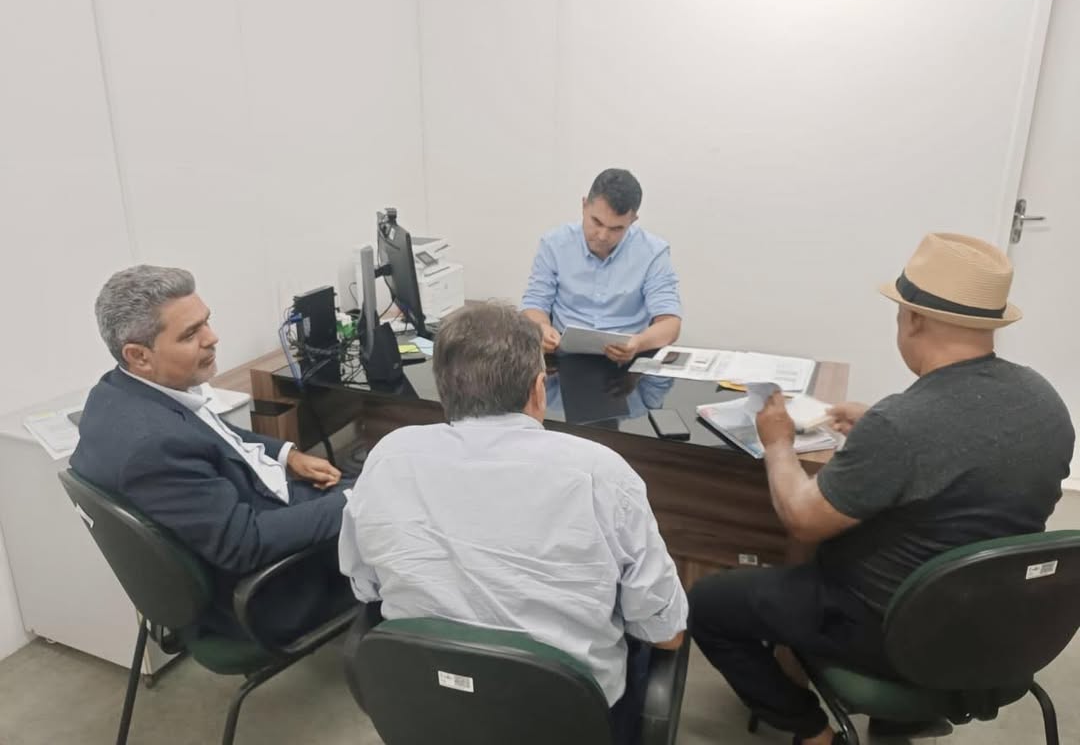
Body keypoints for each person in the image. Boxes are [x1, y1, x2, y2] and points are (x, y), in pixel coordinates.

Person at [689, 233, 1074, 745]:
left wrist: (778, 442)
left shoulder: (904, 424)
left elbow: (802, 517)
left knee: (708, 604)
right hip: (995, 626)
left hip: (888, 627)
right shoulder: (1046, 402)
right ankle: (900, 723)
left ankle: (813, 732)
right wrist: (876, 426)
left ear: (912, 319)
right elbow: (972, 457)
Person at [339, 302, 688, 744]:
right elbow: (666, 633)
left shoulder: (389, 456)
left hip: (429, 710)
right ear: (539, 389)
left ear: (444, 390)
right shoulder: (601, 473)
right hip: (567, 723)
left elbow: (365, 587)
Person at [71, 265, 356, 642]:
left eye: (206, 321)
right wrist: (356, 501)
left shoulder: (118, 392)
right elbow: (245, 545)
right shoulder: (154, 447)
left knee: (379, 486)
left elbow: (214, 434)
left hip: (253, 508)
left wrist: (286, 454)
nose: (212, 337)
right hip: (275, 593)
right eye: (191, 334)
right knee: (408, 512)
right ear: (139, 355)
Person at [521, 168, 682, 364]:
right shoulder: (554, 244)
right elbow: (534, 304)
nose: (603, 236)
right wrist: (542, 328)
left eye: (616, 228)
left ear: (633, 220)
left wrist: (639, 343)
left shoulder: (653, 252)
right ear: (584, 206)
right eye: (596, 222)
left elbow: (670, 323)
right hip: (565, 355)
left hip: (630, 355)